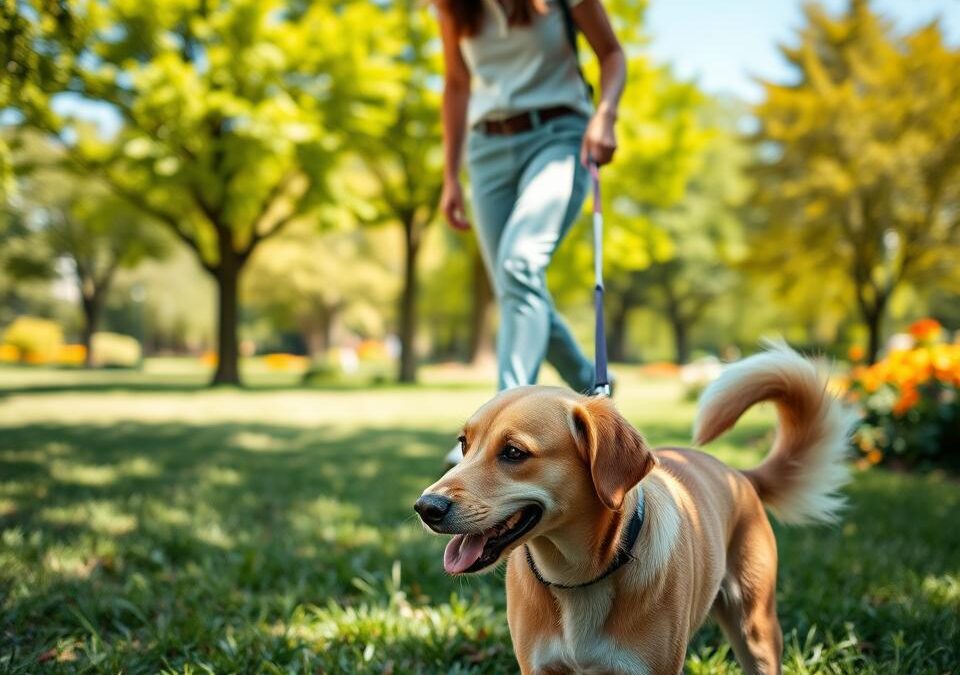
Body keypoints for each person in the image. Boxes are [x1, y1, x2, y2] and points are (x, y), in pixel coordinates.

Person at [436, 0, 625, 465]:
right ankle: (585, 375)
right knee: (515, 284)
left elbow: (612, 54)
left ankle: (500, 422)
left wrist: (606, 113)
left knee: (520, 263)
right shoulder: (452, 8)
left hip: (559, 136)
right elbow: (457, 86)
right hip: (487, 150)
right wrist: (449, 176)